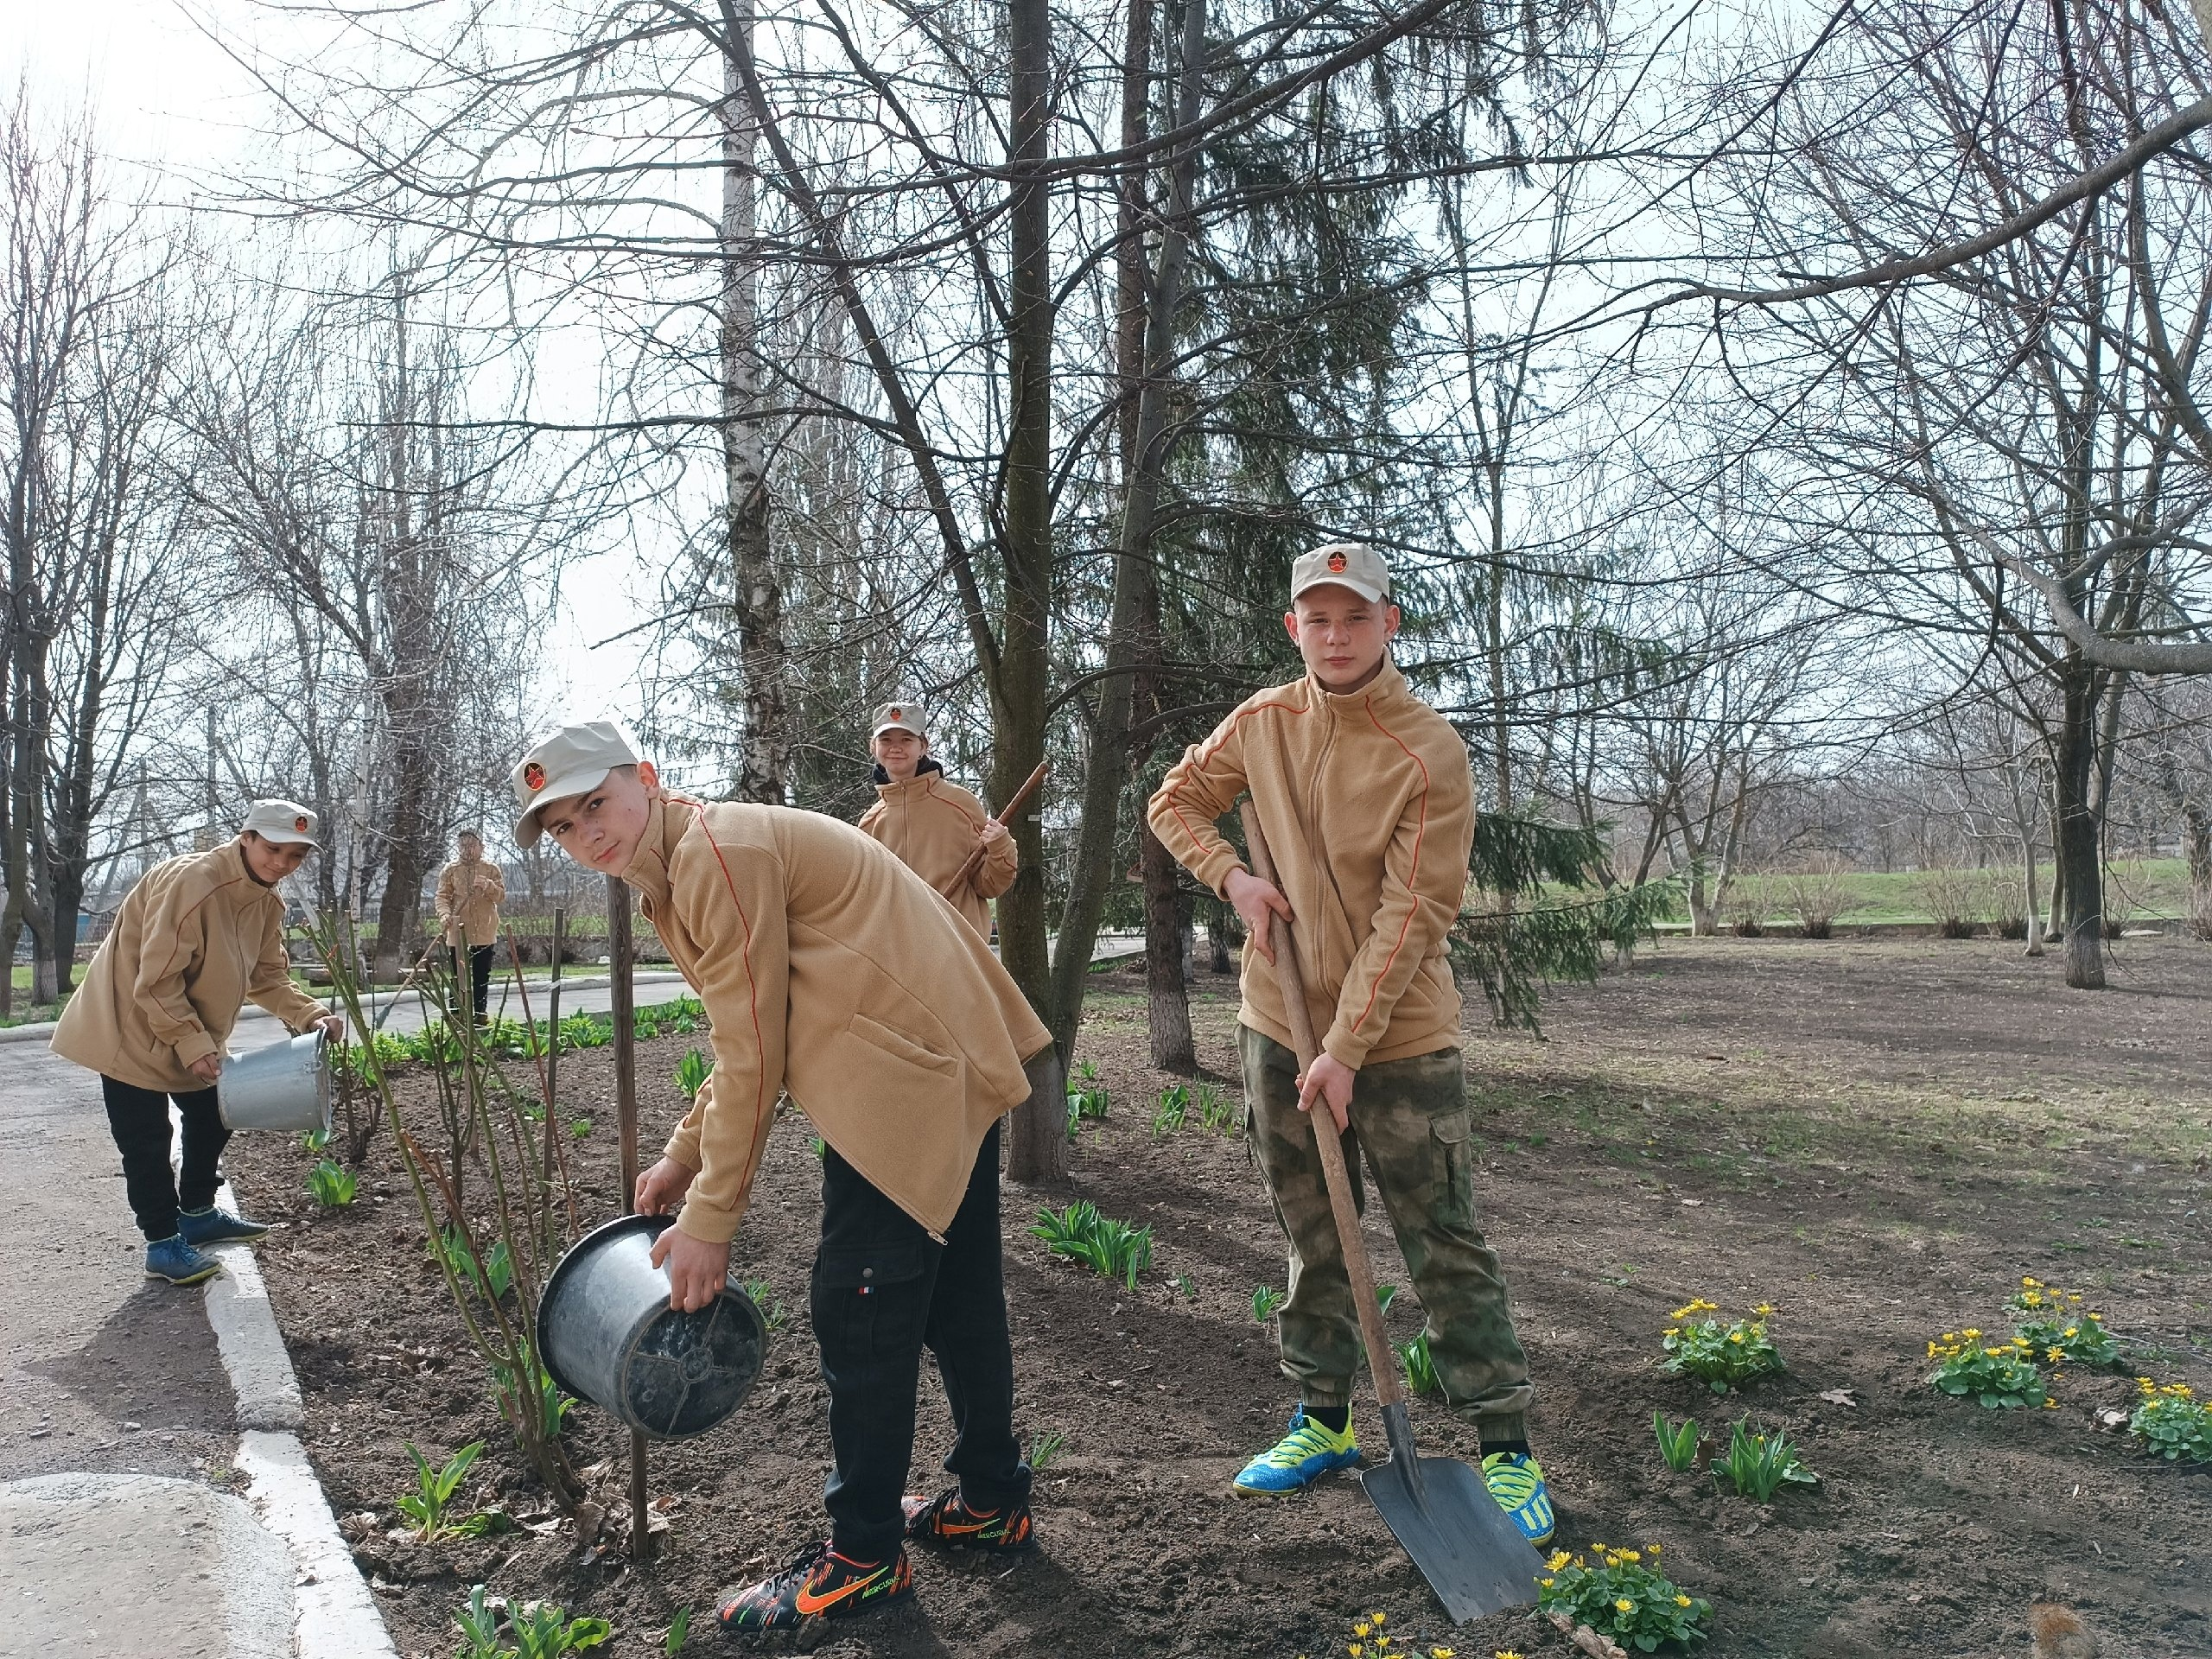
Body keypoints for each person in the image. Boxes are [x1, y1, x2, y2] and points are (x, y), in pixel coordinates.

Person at [511, 720, 1052, 1638]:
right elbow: (751, 1031)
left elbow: (754, 1048)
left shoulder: (717, 855)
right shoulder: (688, 861)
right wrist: (687, 1153)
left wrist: (711, 1218)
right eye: (564, 827)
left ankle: (862, 1560)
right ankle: (993, 1499)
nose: (587, 835)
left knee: (860, 1306)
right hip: (926, 1059)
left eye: (595, 804)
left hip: (903, 1076)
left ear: (645, 777)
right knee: (957, 1297)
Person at [1145, 542, 1554, 1543]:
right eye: (1316, 620)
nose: (1335, 636)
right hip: (1277, 1022)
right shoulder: (1264, 723)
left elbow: (1414, 915)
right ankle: (1322, 1419)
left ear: (1389, 624)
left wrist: (1347, 1047)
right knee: (1309, 1228)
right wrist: (1233, 878)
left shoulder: (1426, 751)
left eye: (1354, 618)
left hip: (1399, 1037)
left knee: (1441, 1234)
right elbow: (1172, 802)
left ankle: (1502, 1444)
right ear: (1294, 629)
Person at [53, 800, 347, 1287]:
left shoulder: (268, 901)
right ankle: (163, 1243)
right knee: (146, 1142)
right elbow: (156, 981)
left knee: (213, 1116)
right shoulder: (195, 882)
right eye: (273, 849)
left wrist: (310, 1014)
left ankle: (197, 1213)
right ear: (246, 837)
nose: (281, 863)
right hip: (130, 1030)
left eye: (295, 856)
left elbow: (267, 977)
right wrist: (193, 1044)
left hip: (187, 1031)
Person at [855, 702, 1017, 940]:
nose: (896, 748)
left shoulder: (960, 804)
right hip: (898, 959)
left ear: (923, 746)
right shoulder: (868, 825)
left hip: (959, 953)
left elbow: (989, 885)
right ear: (874, 748)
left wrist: (1001, 847)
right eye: (886, 740)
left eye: (907, 740)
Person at [434, 829, 506, 1021]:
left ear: (481, 847)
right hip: (458, 932)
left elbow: (500, 896)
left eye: (471, 846)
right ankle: (457, 1014)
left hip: (484, 931)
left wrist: (488, 886)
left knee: (481, 975)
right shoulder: (450, 870)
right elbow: (442, 897)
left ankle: (480, 1014)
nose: (467, 850)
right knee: (458, 976)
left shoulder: (491, 869)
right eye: (463, 846)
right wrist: (444, 915)